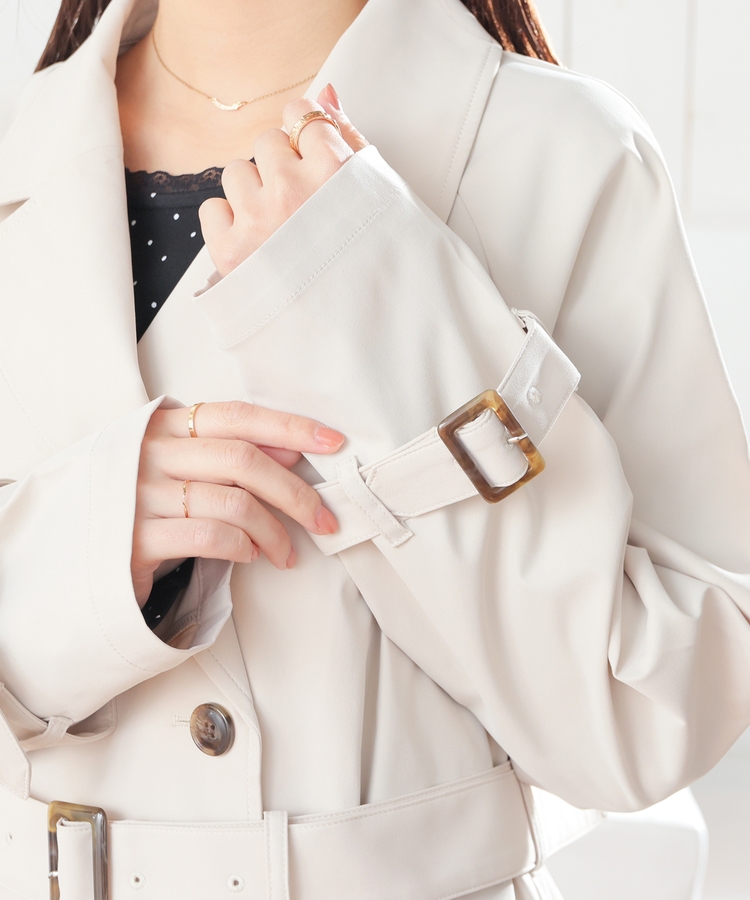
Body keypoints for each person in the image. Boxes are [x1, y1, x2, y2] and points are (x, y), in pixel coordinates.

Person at [0, 0, 749, 896]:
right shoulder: (20, 145)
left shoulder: (566, 152)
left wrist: (378, 311)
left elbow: (654, 713)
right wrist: (75, 553)